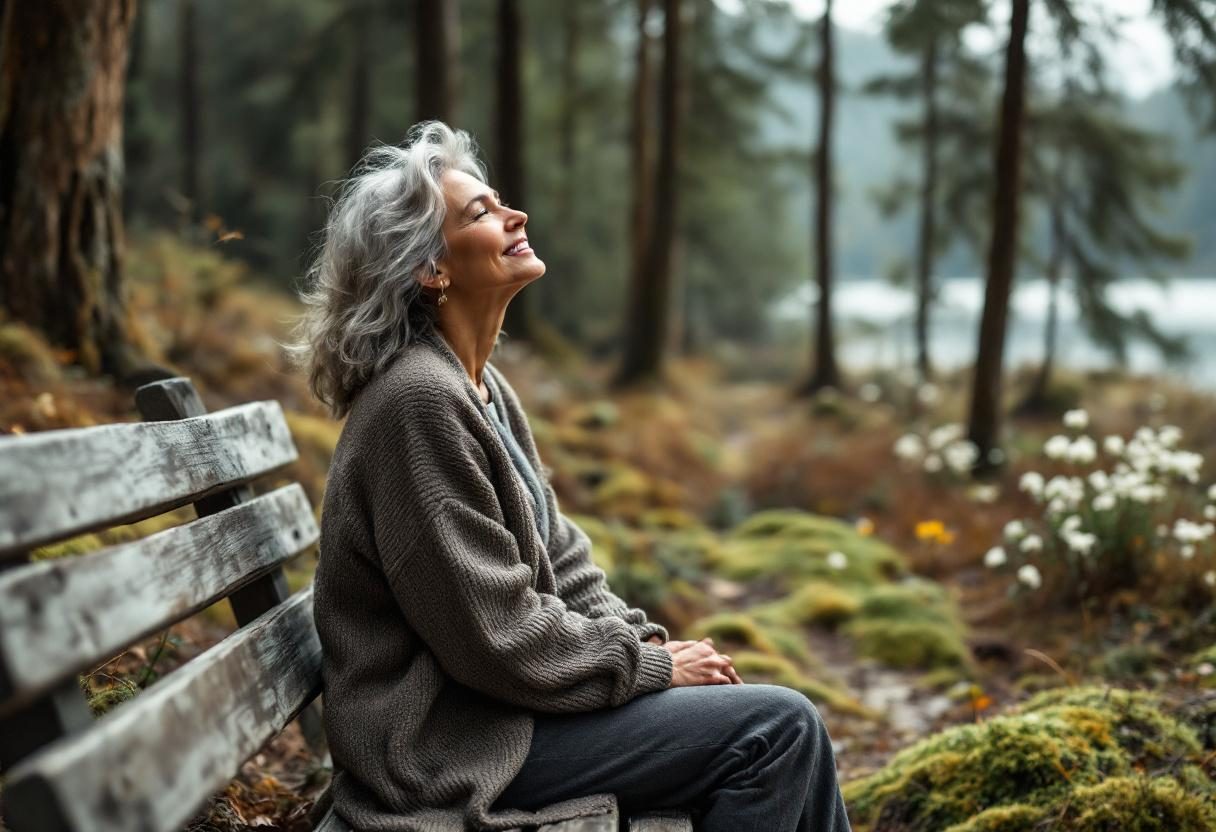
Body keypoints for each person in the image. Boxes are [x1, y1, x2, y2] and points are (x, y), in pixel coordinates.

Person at [288, 121, 852, 832]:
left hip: (503, 716)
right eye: (481, 213)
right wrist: (647, 670)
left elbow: (562, 559)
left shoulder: (478, 387)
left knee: (772, 727)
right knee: (777, 732)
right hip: (449, 746)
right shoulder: (417, 404)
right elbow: (496, 634)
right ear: (431, 269)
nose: (515, 215)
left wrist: (643, 642)